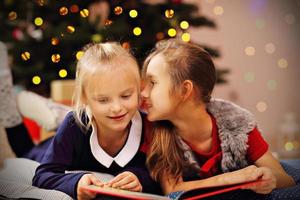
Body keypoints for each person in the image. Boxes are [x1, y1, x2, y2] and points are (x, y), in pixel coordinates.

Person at [0, 41, 161, 199]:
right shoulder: (74, 124)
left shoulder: (150, 127)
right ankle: (8, 104)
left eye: (126, 96)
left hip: (78, 128)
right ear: (85, 99)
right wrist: (76, 183)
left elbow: (160, 176)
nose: (117, 108)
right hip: (40, 152)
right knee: (22, 150)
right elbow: (43, 175)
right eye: (103, 100)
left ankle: (54, 113)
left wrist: (140, 178)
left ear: (138, 90)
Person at [141, 39, 296, 198]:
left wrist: (269, 179)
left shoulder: (237, 123)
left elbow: (286, 179)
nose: (143, 93)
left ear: (185, 90)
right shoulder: (156, 131)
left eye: (152, 83)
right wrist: (233, 178)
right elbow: (173, 189)